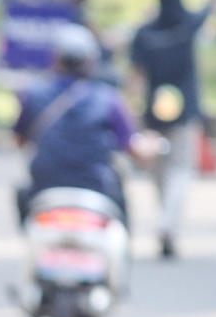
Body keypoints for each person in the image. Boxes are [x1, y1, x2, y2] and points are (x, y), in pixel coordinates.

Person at [129, 0, 214, 260]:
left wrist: (134, 115)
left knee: (161, 171)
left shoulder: (144, 32)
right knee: (181, 168)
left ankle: (164, 220)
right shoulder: (189, 24)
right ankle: (168, 224)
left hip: (154, 109)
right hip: (186, 106)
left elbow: (134, 78)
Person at [15, 26, 141, 219]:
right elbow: (130, 145)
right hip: (98, 187)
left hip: (45, 186)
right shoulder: (108, 98)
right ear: (91, 60)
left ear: (56, 59)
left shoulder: (34, 95)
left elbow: (20, 140)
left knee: (22, 195)